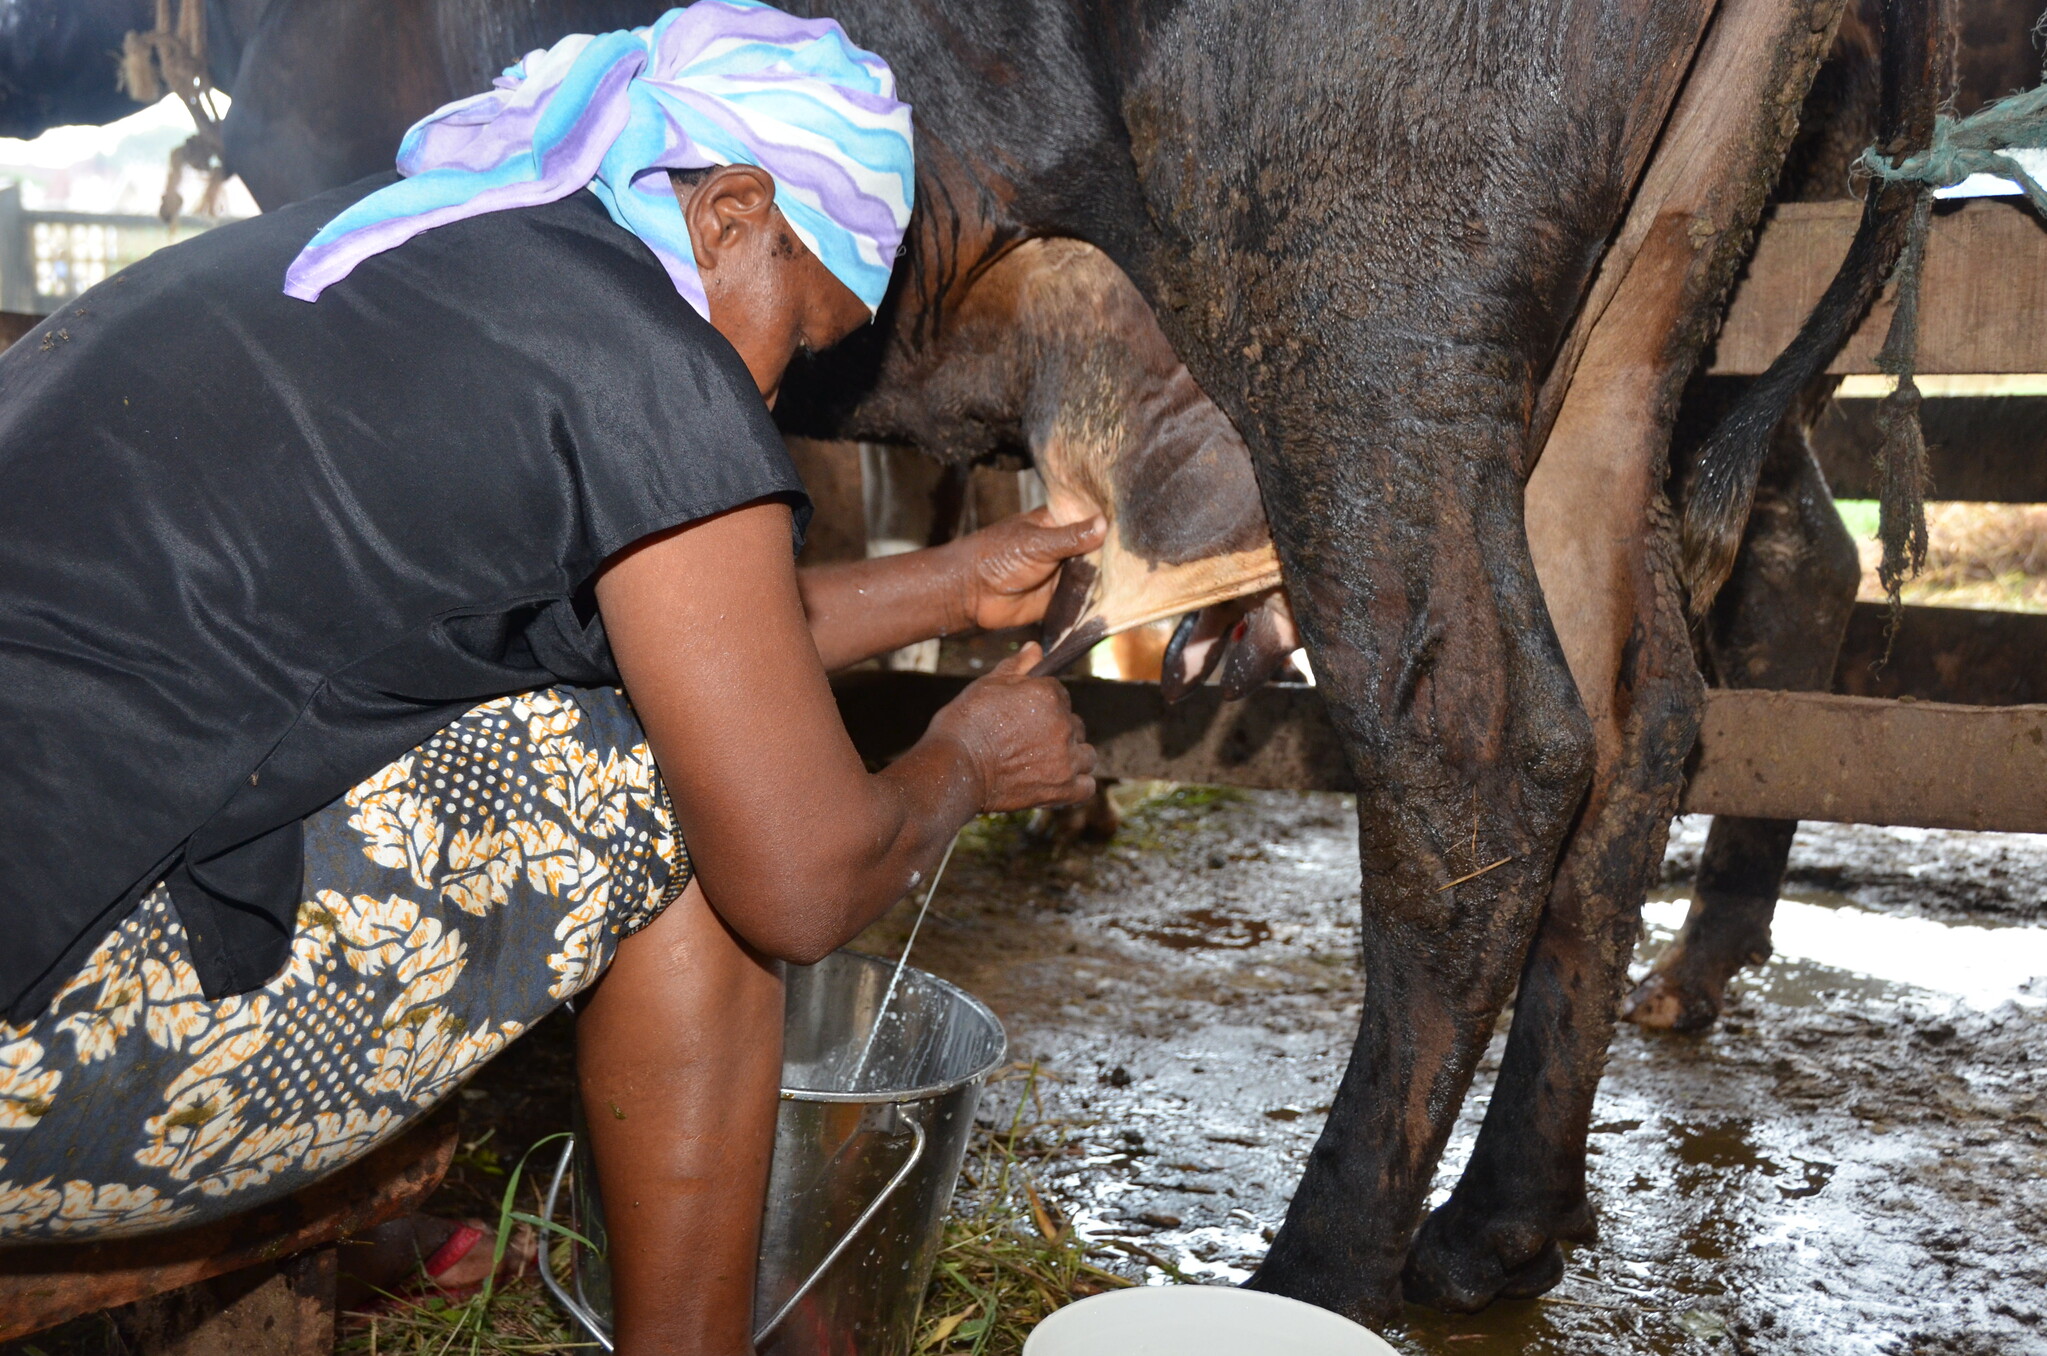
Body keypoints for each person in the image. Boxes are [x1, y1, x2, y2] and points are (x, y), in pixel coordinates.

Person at [0, 3, 1100, 1351]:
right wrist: (967, 766)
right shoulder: (647, 362)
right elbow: (802, 875)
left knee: (663, 719)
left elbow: (697, 635)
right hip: (41, 1039)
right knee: (691, 797)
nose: (769, 396)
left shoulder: (440, 260)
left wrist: (953, 582)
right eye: (801, 334)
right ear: (733, 213)